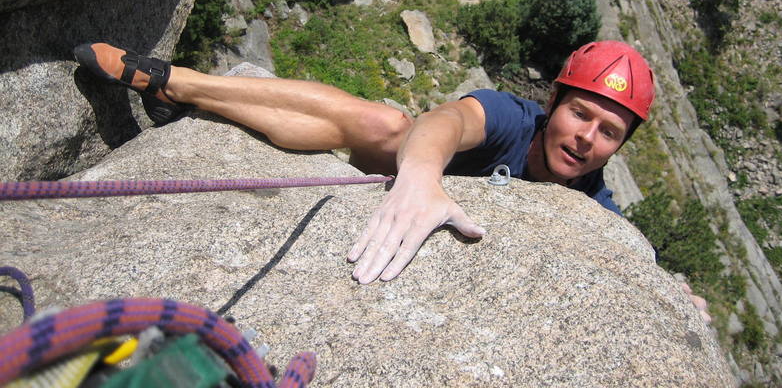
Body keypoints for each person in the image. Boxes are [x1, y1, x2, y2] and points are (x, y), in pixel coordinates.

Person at [73, 40, 650, 283]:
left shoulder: (596, 203)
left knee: (364, 128)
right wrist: (421, 177)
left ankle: (185, 93)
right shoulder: (513, 118)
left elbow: (627, 253)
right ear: (552, 103)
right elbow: (445, 122)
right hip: (403, 168)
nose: (586, 138)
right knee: (385, 125)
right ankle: (181, 82)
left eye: (608, 133)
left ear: (619, 148)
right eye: (580, 114)